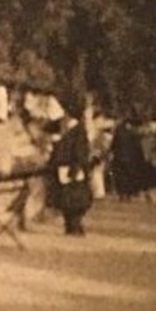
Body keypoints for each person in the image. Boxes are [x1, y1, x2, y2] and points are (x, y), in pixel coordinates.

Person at [48, 101, 93, 236]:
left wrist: (76, 167)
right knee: (68, 197)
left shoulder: (77, 130)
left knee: (73, 198)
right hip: (65, 166)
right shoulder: (70, 129)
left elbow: (79, 151)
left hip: (72, 167)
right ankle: (71, 225)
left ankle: (74, 226)